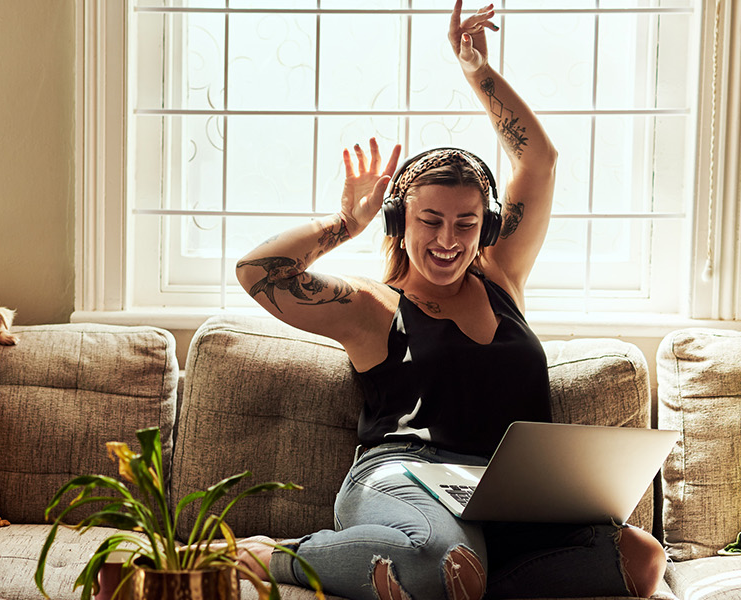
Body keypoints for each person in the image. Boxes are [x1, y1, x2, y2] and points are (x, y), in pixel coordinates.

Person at [231, 3, 666, 599]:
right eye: (430, 220)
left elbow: (538, 161)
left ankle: (468, 586)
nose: (446, 240)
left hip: (502, 491)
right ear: (399, 222)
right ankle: (268, 557)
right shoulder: (372, 307)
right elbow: (259, 271)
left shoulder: (501, 276)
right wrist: (341, 223)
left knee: (639, 559)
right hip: (403, 477)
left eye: (465, 223)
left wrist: (477, 72)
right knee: (444, 558)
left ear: (485, 229)